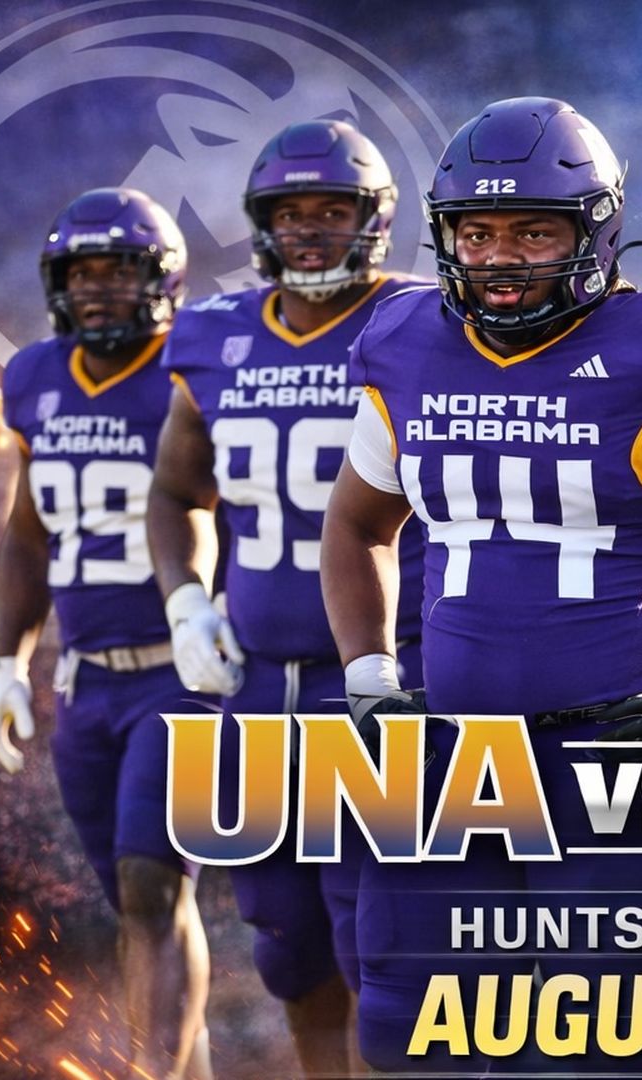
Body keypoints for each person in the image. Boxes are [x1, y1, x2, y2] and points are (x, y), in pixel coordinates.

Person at [319, 96, 642, 1072]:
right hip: (451, 755)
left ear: (596, 230)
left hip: (612, 757)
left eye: (534, 229)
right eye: (476, 232)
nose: (501, 256)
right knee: (403, 1030)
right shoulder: (409, 346)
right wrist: (368, 675)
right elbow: (357, 524)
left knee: (604, 1045)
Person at [146, 118, 424, 1075]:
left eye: (333, 210)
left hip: (392, 684)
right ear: (261, 224)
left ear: (372, 220)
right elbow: (177, 492)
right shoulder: (215, 334)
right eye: (290, 213)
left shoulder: (427, 320)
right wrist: (185, 599)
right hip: (259, 687)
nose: (310, 230)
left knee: (388, 941)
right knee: (286, 939)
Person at [0, 187, 212, 1079]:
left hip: (180, 670)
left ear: (161, 281)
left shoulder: (195, 366)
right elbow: (26, 529)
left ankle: (151, 1073)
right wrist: (7, 657)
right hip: (86, 681)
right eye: (83, 272)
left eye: (121, 270)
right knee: (140, 908)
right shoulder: (35, 375)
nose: (100, 290)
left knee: (152, 887)